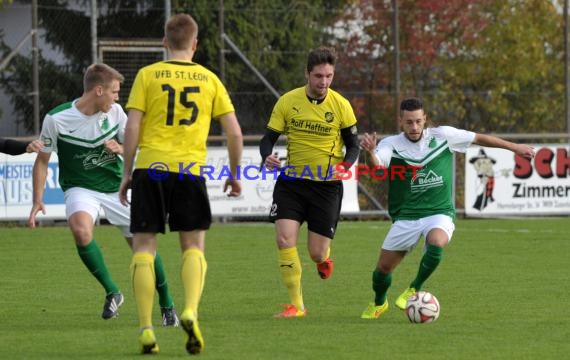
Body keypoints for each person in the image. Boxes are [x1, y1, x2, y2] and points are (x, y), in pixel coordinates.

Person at [118, 13, 243, 355]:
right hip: (189, 170)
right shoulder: (209, 79)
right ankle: (190, 309)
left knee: (144, 247)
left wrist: (128, 172)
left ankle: (146, 329)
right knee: (193, 246)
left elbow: (131, 128)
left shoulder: (148, 75)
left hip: (150, 168)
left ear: (164, 42)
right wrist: (234, 173)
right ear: (195, 44)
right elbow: (234, 132)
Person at [27, 63, 179, 326]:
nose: (117, 98)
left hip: (116, 189)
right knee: (81, 230)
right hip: (81, 188)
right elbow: (42, 160)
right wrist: (37, 199)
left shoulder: (117, 113)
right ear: (99, 90)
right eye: (115, 92)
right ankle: (113, 291)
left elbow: (137, 146)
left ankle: (167, 305)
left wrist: (119, 148)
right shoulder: (57, 119)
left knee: (144, 250)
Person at [359, 97, 535, 319]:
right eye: (409, 122)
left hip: (439, 211)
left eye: (418, 121)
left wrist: (515, 147)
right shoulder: (391, 144)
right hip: (407, 215)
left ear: (425, 120)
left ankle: (414, 288)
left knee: (436, 241)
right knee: (382, 270)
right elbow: (377, 168)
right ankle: (379, 303)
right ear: (400, 122)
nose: (414, 127)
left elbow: (479, 138)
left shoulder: (443, 136)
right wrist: (370, 152)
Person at [259, 46, 360, 318]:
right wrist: (266, 154)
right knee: (284, 238)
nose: (324, 82)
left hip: (326, 187)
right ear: (307, 74)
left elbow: (353, 146)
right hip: (291, 183)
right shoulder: (288, 101)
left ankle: (324, 258)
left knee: (316, 253)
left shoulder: (341, 105)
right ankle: (296, 305)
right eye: (318, 76)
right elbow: (268, 138)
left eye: (329, 76)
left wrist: (345, 166)